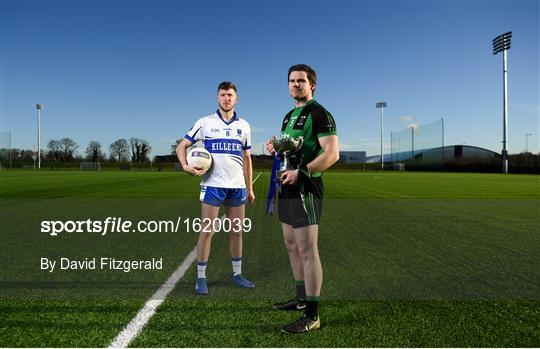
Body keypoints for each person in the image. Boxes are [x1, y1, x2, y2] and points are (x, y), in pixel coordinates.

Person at [266, 64, 339, 333]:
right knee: (291, 245)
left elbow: (332, 154)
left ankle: (312, 315)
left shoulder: (319, 114)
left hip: (306, 188)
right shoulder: (288, 116)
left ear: (312, 85)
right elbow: (289, 151)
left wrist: (302, 173)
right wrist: (275, 148)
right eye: (292, 81)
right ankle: (300, 300)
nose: (295, 85)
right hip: (286, 186)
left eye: (301, 81)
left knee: (308, 251)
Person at [177, 81, 255, 295]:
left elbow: (247, 158)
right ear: (217, 98)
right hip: (213, 186)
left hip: (237, 186)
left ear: (236, 99)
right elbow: (182, 146)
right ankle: (201, 277)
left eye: (230, 95)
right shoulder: (205, 122)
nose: (226, 98)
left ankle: (237, 274)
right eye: (223, 95)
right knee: (207, 231)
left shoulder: (245, 126)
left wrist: (249, 188)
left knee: (237, 232)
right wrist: (185, 166)